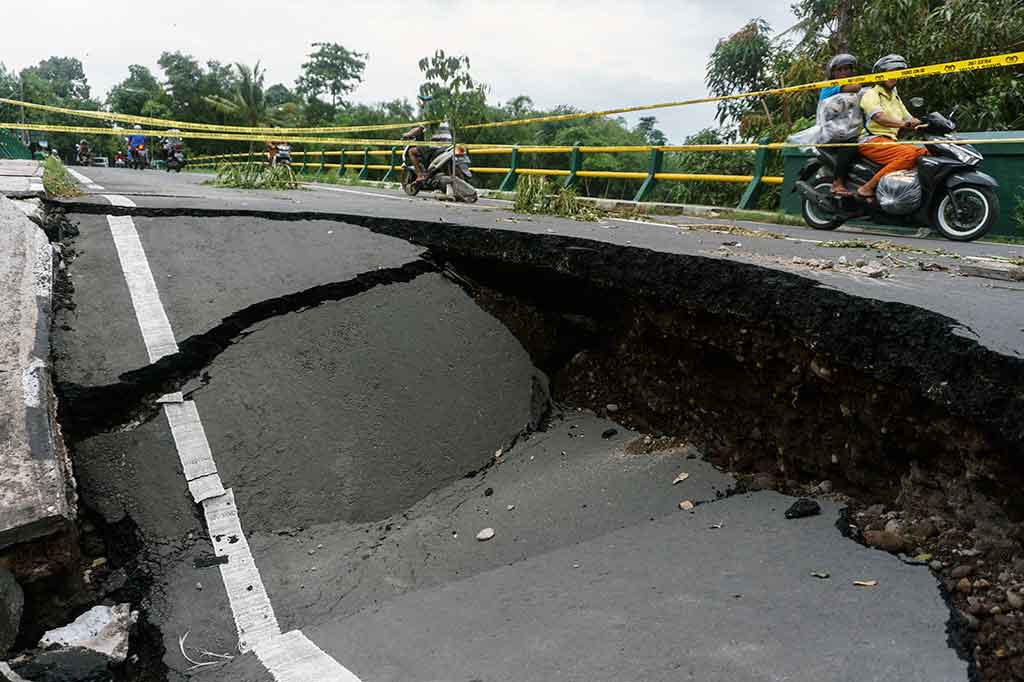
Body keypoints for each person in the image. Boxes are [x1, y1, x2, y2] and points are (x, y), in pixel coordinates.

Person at [856, 54, 926, 200]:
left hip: (889, 141)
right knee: (909, 155)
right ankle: (866, 188)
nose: (894, 76)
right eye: (890, 72)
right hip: (872, 141)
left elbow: (909, 118)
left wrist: (928, 123)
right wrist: (904, 124)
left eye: (897, 73)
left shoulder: (895, 97)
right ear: (880, 75)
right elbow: (879, 117)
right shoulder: (871, 93)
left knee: (926, 153)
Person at [819, 54, 862, 196]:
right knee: (850, 145)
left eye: (847, 69)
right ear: (833, 73)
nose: (844, 72)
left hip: (848, 129)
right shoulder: (828, 87)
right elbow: (855, 87)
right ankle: (837, 183)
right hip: (830, 131)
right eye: (840, 70)